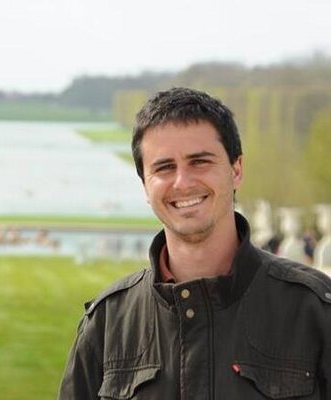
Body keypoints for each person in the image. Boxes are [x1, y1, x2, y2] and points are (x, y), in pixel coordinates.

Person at [58, 87, 331, 399]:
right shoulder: (107, 323)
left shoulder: (315, 311)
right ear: (145, 186)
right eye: (164, 167)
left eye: (200, 161)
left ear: (236, 170)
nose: (183, 182)